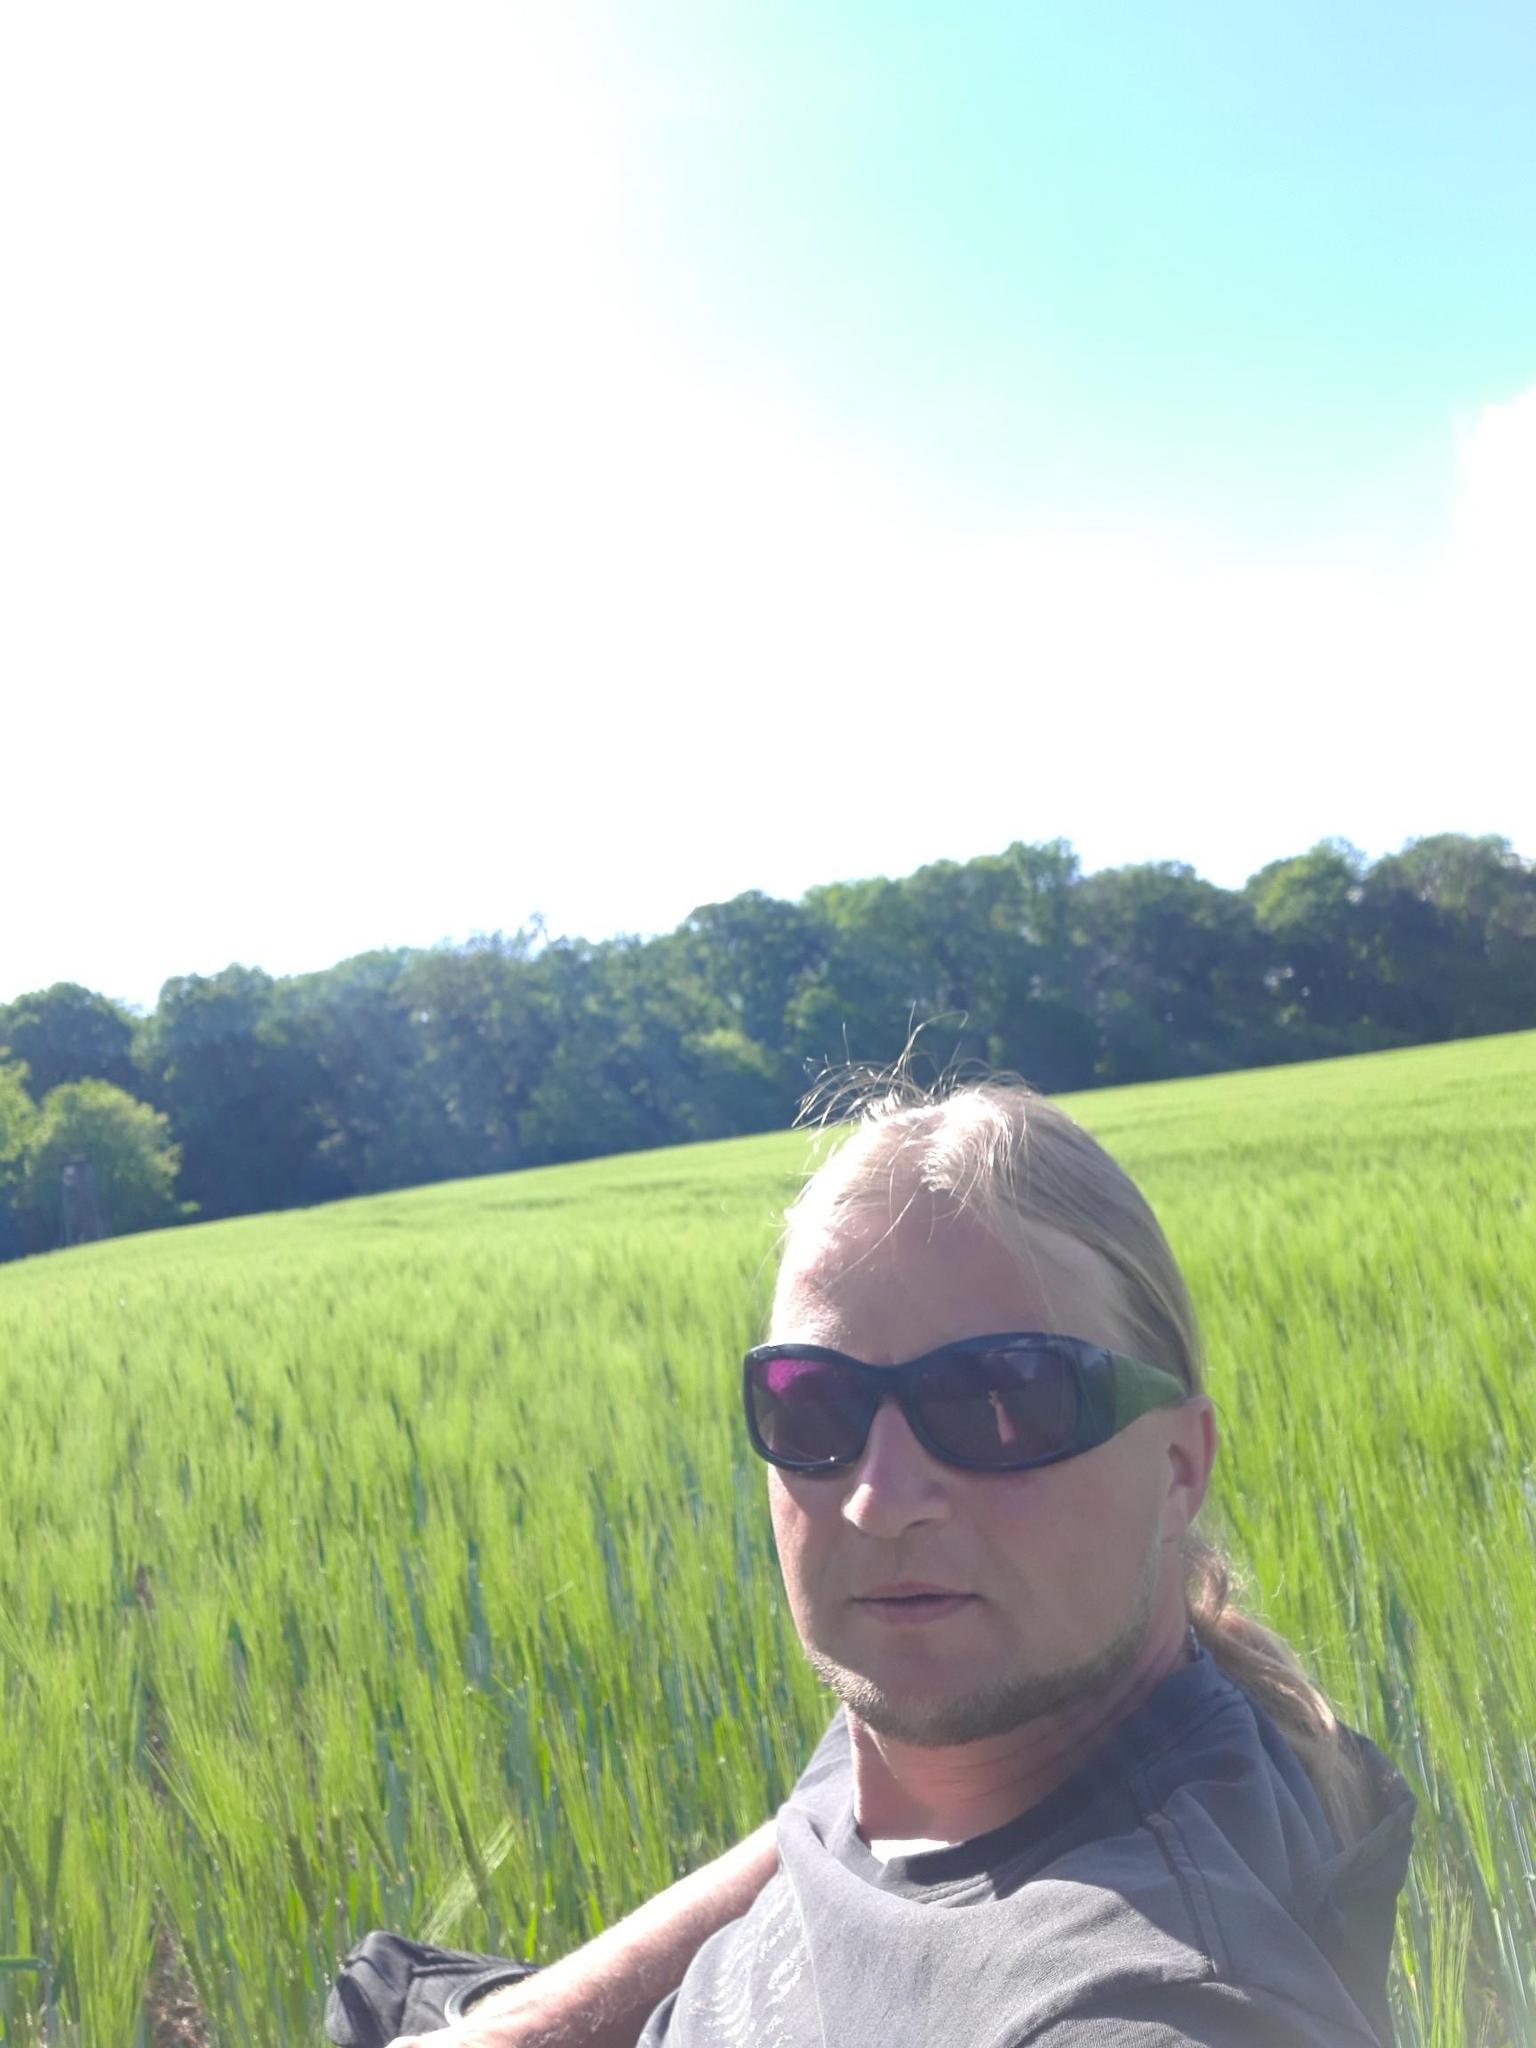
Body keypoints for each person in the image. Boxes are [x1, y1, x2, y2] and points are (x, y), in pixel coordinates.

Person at [389, 1072, 1415, 2047]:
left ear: (1179, 1464)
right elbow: (810, 1843)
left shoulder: (1150, 1999)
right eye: (814, 1404)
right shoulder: (947, 1703)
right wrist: (511, 2030)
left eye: (1001, 1400)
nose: (877, 1501)